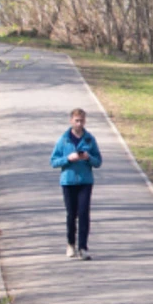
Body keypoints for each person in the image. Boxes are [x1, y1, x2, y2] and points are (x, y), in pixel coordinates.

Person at [51, 108, 102, 259]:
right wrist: (68, 158)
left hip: (85, 181)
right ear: (71, 121)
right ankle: (70, 244)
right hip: (68, 181)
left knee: (84, 213)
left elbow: (98, 161)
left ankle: (83, 247)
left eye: (82, 121)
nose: (79, 124)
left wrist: (88, 158)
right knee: (71, 214)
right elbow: (53, 161)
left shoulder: (89, 139)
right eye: (76, 121)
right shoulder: (64, 139)